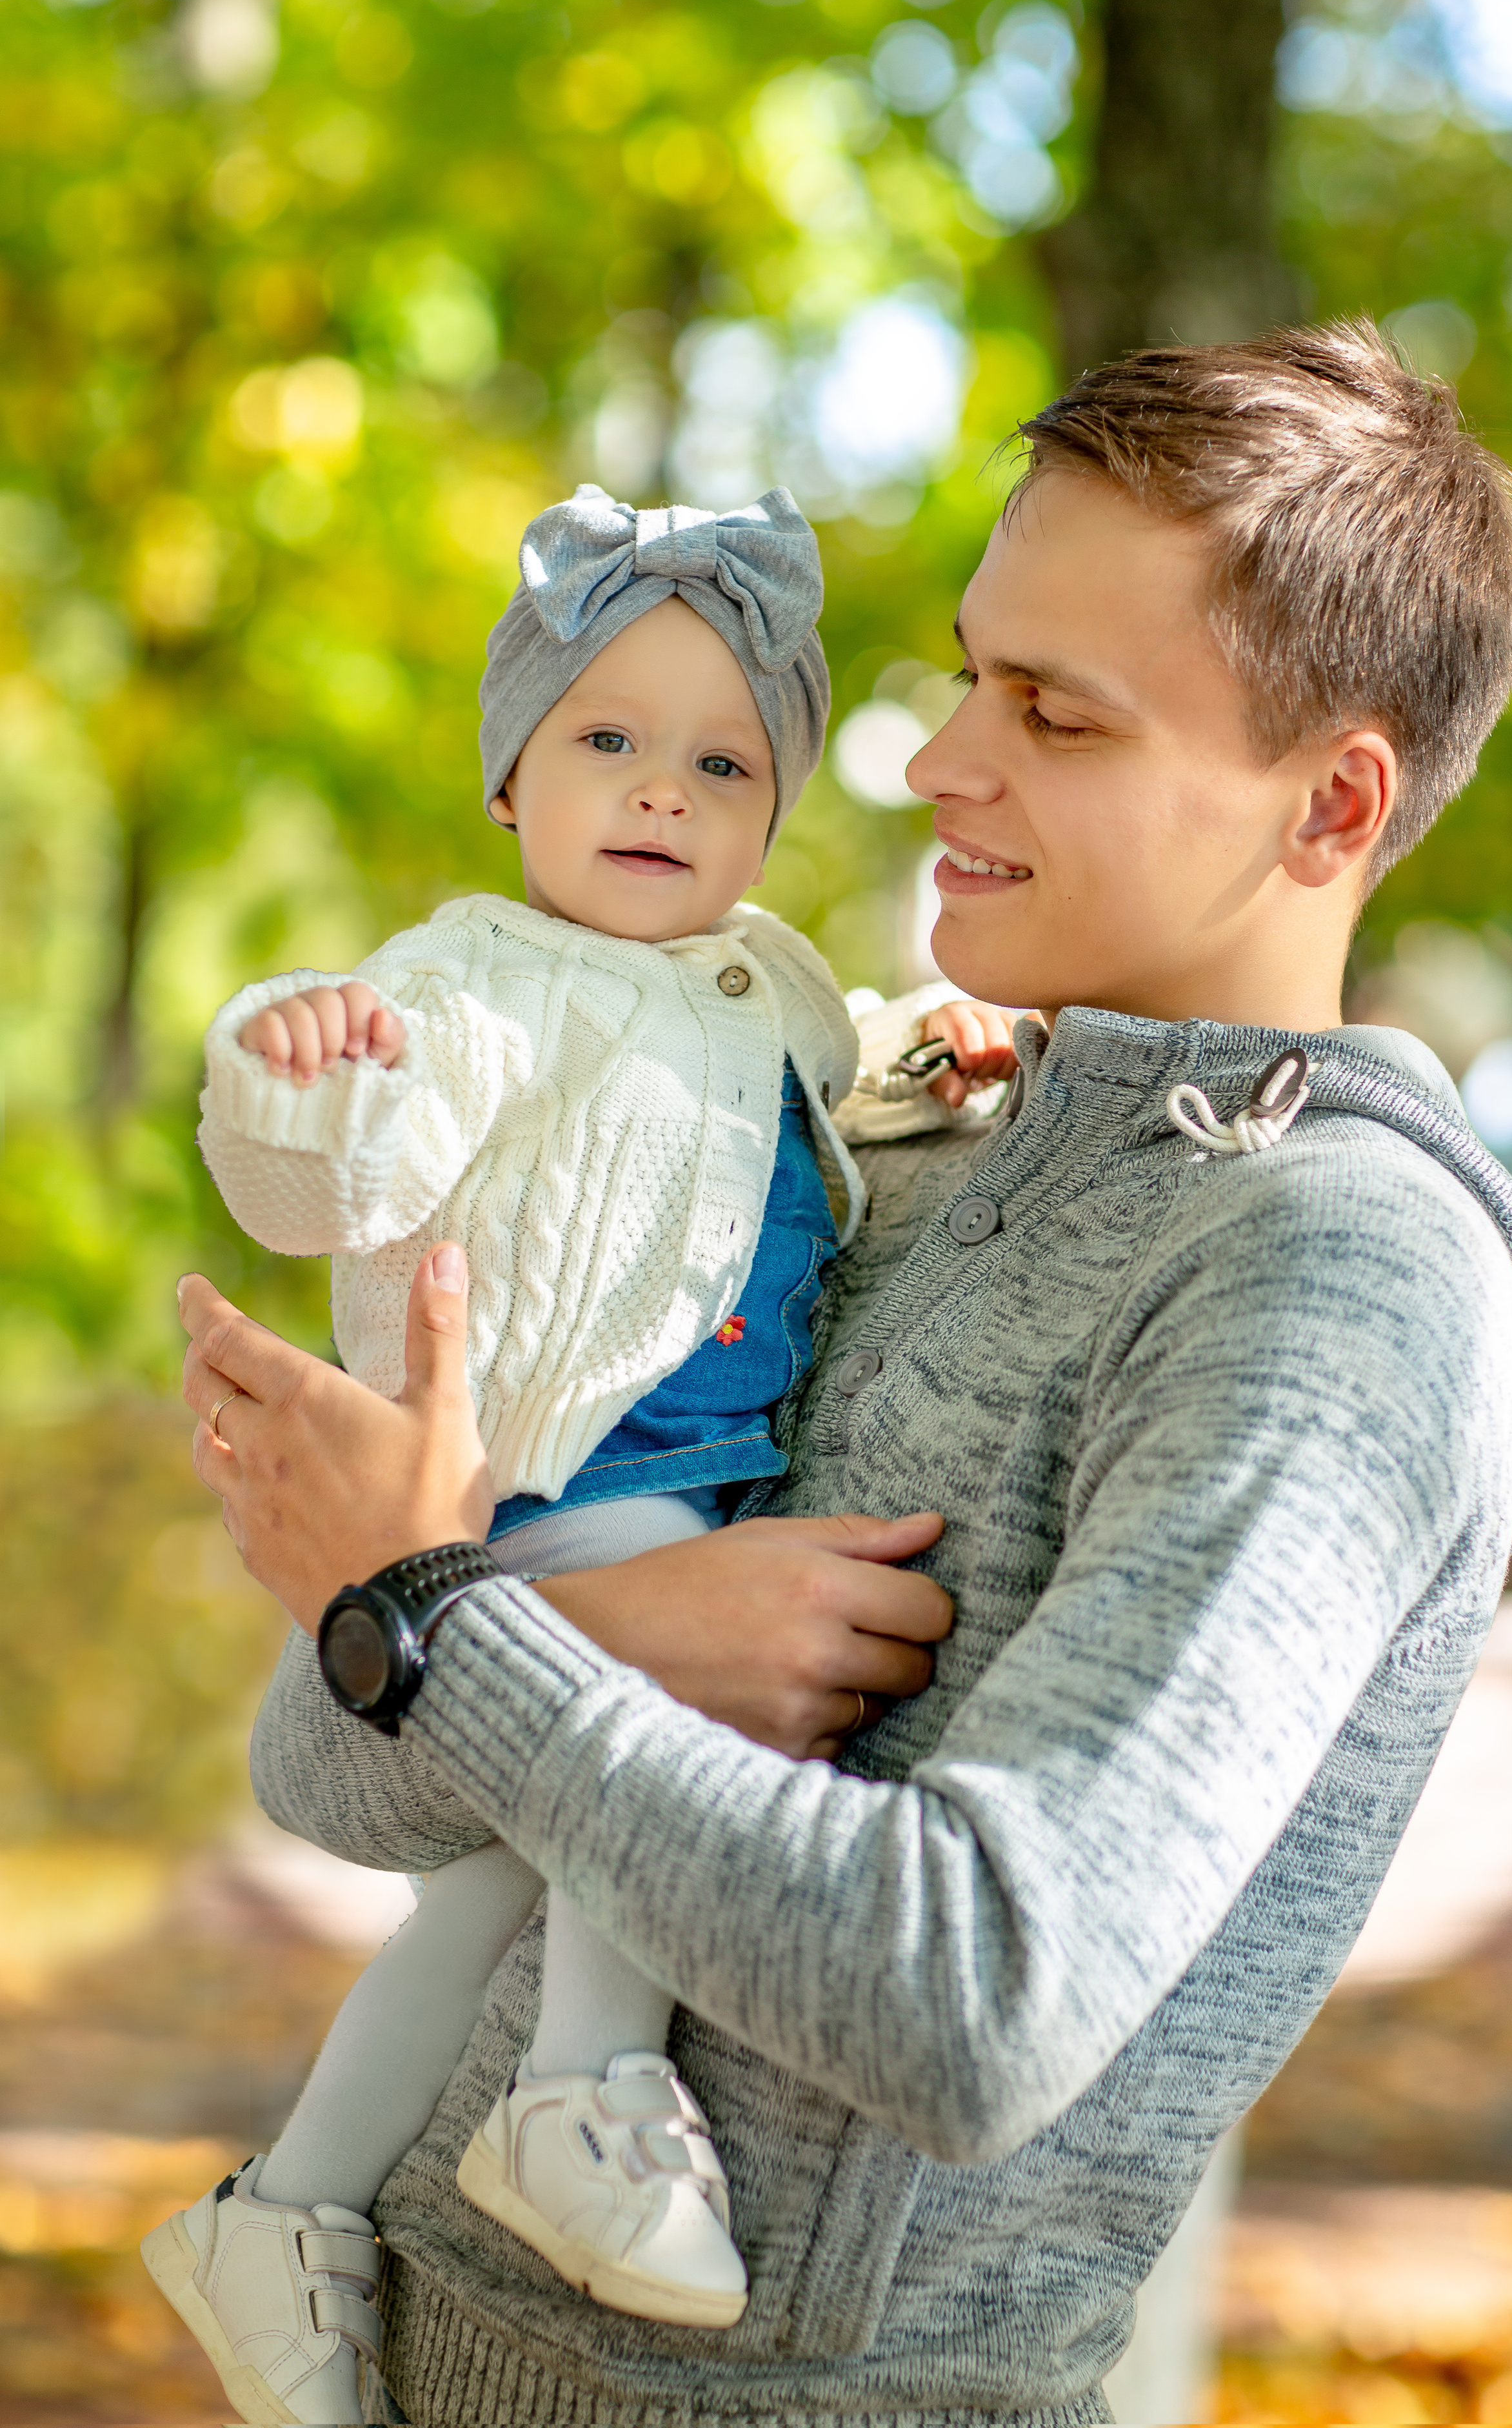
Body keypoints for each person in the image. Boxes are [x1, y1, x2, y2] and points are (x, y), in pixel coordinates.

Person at [176, 324, 1512, 2427]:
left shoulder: (1346, 1281)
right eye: (969, 672)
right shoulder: (891, 1153)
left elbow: (977, 2000)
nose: (941, 760)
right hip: (400, 2358)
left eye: (1056, 711)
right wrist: (558, 1629)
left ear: (1333, 802)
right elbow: (334, 1761)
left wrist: (453, 1631)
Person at [143, 481, 1011, 2423]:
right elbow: (338, 1164)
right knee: (661, 1746)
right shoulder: (469, 981)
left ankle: (286, 2209)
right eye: (605, 739)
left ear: (774, 815)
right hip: (545, 1472)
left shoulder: (767, 975)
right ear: (511, 777)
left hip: (691, 1472)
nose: (661, 792)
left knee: (491, 1889)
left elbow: (824, 1075)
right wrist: (307, 1060)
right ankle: (584, 2092)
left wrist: (940, 1059)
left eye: (722, 762)